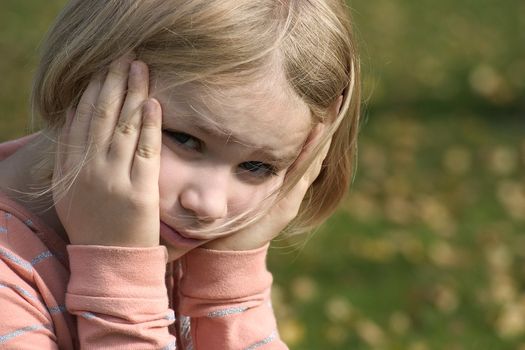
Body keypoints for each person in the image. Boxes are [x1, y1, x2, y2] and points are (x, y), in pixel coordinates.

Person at [0, 0, 360, 348]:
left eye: (256, 167)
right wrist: (121, 281)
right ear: (83, 84)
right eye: (186, 140)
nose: (209, 205)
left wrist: (228, 289)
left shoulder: (188, 244)